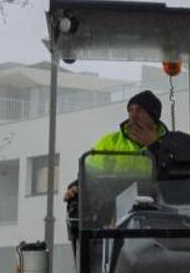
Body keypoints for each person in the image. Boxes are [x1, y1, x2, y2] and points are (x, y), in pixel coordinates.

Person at [62, 90, 168, 252]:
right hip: (111, 206)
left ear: (153, 116)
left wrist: (154, 146)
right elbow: (91, 173)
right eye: (130, 109)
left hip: (156, 208)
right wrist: (77, 185)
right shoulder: (110, 141)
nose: (133, 114)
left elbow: (173, 174)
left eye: (139, 110)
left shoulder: (169, 143)